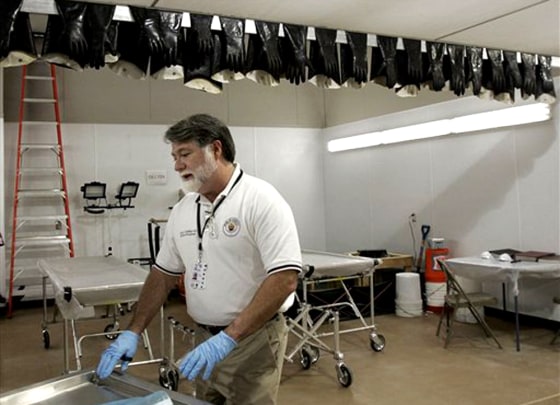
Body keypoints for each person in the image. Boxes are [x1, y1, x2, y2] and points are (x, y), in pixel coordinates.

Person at [96, 113, 302, 405]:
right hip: (204, 339)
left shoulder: (261, 199)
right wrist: (133, 330)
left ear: (215, 150)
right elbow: (162, 274)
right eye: (174, 156)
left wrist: (229, 338)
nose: (177, 165)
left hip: (252, 340)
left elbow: (285, 279)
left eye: (185, 154)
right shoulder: (184, 208)